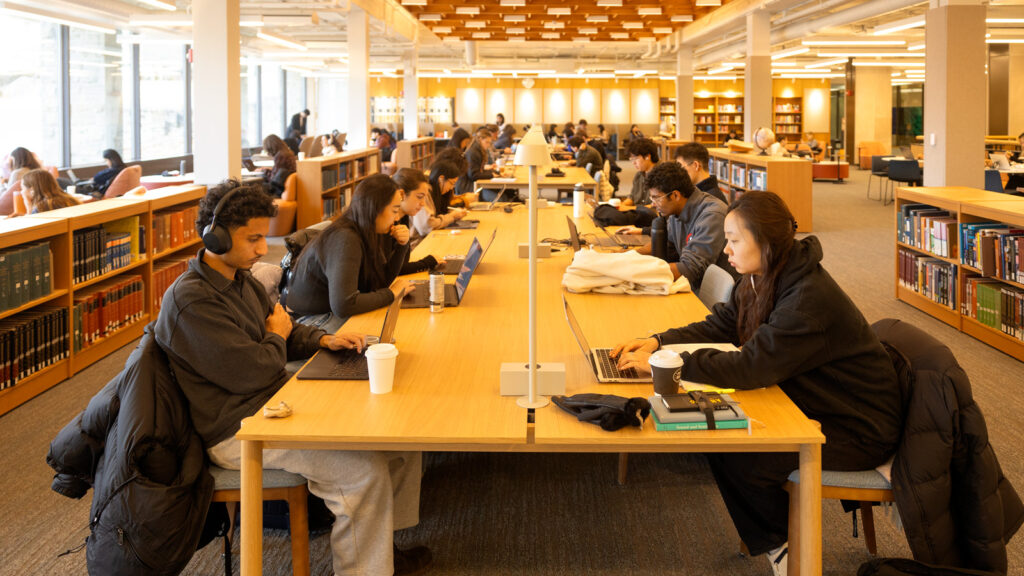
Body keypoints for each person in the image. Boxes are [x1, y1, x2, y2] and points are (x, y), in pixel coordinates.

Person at [611, 191, 901, 576]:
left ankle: (783, 549)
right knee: (719, 433)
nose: (725, 249)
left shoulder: (807, 299)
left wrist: (671, 364)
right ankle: (773, 539)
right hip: (812, 399)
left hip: (856, 426)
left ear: (765, 241)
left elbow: (750, 367)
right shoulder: (761, 275)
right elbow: (723, 322)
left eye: (733, 240)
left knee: (736, 449)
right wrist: (659, 341)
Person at [153, 180, 429, 576]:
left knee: (398, 438)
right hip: (238, 428)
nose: (264, 249)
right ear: (214, 237)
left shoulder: (238, 280)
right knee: (363, 473)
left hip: (273, 398)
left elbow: (281, 330)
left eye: (264, 237)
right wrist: (277, 335)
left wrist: (323, 337)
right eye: (253, 239)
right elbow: (255, 367)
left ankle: (383, 551)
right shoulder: (192, 301)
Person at [285, 174, 412, 333]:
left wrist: (402, 246)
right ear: (376, 208)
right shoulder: (346, 238)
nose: (396, 218)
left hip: (328, 313)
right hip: (309, 321)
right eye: (394, 210)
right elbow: (344, 304)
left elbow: (380, 283)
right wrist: (391, 294)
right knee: (381, 332)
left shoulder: (368, 231)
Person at [633, 162, 734, 288]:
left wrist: (636, 272)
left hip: (708, 295)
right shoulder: (675, 212)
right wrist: (629, 256)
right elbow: (665, 246)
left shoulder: (712, 215)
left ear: (675, 195)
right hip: (692, 286)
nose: (653, 204)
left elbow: (690, 269)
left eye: (657, 198)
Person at [13, 168, 80, 215]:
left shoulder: (41, 209)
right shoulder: (71, 200)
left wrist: (28, 206)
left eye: (23, 188)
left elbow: (31, 230)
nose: (22, 192)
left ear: (32, 190)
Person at [455, 126, 496, 199]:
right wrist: (492, 175)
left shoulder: (477, 150)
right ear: (480, 139)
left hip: (474, 184)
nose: (488, 145)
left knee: (499, 193)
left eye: (489, 143)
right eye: (487, 142)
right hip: (467, 187)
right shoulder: (473, 152)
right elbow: (473, 175)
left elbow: (479, 170)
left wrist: (493, 172)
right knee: (498, 197)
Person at [624, 137, 658, 208]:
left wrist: (632, 209)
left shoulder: (661, 176)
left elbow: (656, 206)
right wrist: (622, 205)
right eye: (631, 159)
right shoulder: (639, 175)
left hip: (651, 215)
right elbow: (632, 197)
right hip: (637, 212)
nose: (633, 163)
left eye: (635, 159)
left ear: (647, 156)